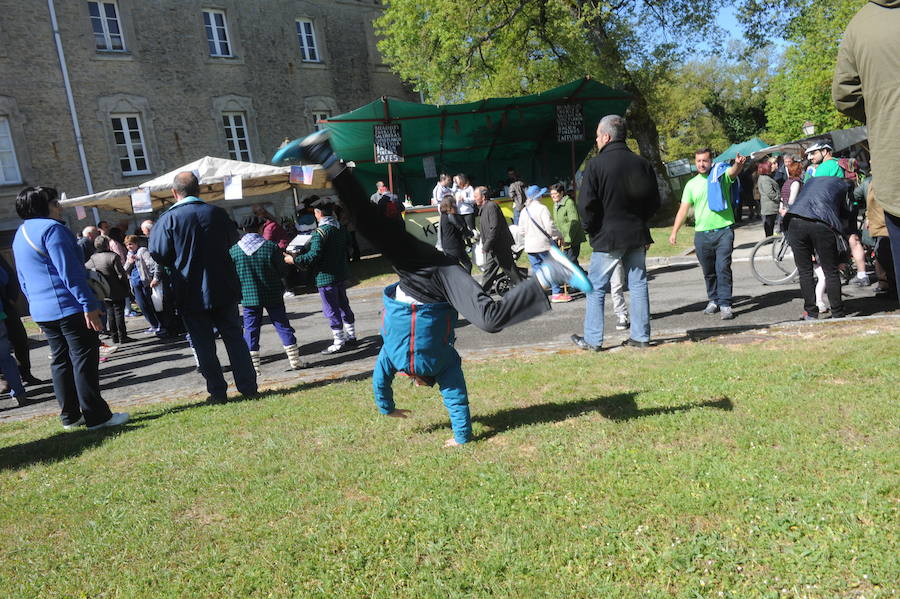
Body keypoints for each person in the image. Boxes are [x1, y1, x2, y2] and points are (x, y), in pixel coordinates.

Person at [284, 130, 590, 446]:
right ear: (426, 379)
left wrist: (386, 408)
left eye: (412, 384)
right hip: (443, 278)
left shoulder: (394, 357)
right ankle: (548, 274)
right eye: (419, 385)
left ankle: (327, 159)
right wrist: (461, 437)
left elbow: (380, 383)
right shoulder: (444, 363)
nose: (413, 385)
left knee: (368, 226)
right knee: (489, 320)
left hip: (416, 271)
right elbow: (456, 396)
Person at [12, 186, 128, 430]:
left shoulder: (20, 233)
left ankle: (70, 417)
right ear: (46, 206)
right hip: (69, 306)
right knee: (83, 359)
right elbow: (70, 272)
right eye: (55, 203)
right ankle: (97, 416)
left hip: (43, 310)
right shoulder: (53, 229)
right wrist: (88, 304)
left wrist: (35, 306)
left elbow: (22, 278)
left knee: (61, 362)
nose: (59, 207)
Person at [148, 172, 257, 404]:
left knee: (203, 343)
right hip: (223, 285)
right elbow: (232, 239)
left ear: (174, 193)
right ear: (199, 190)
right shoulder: (217, 213)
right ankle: (248, 386)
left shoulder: (168, 220)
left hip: (189, 289)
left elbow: (158, 253)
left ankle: (217, 392)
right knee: (234, 337)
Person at [571, 115, 660, 351]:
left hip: (608, 235)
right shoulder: (642, 163)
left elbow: (586, 205)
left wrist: (592, 229)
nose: (597, 140)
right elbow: (654, 202)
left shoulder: (596, 165)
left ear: (607, 137)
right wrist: (642, 222)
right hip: (636, 233)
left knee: (596, 287)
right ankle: (641, 336)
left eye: (598, 136)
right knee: (639, 283)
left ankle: (593, 340)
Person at [669, 148, 747, 320]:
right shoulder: (691, 184)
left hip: (723, 231)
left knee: (723, 267)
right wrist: (674, 231)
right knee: (709, 271)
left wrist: (738, 164)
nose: (701, 164)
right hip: (702, 234)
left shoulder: (719, 176)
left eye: (705, 160)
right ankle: (713, 300)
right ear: (695, 163)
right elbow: (683, 209)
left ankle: (725, 304)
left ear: (711, 161)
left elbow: (733, 172)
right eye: (698, 161)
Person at [230, 216, 305, 373]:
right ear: (260, 228)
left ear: (243, 230)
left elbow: (232, 276)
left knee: (251, 330)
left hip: (248, 296)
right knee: (282, 325)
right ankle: (295, 361)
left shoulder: (234, 251)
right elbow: (283, 271)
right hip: (272, 293)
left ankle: (254, 368)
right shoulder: (270, 247)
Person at [286, 197, 356, 354]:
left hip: (325, 277)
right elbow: (348, 245)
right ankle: (352, 336)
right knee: (344, 305)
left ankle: (338, 341)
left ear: (318, 213)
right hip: (340, 274)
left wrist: (294, 259)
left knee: (331, 310)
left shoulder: (320, 232)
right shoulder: (340, 228)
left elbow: (313, 257)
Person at [783, 176, 851, 320]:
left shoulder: (811, 181)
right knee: (831, 271)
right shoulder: (843, 186)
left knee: (805, 271)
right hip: (822, 223)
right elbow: (845, 214)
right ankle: (837, 312)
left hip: (794, 220)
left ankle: (810, 313)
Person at [806, 143, 869, 286]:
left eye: (814, 153)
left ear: (825, 151)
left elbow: (814, 190)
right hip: (850, 206)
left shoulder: (824, 167)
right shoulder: (838, 163)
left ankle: (834, 273)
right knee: (853, 238)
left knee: (831, 240)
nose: (810, 157)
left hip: (835, 210)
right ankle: (862, 274)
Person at [519, 185, 568, 302]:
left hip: (530, 246)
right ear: (538, 196)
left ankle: (540, 294)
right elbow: (550, 228)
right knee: (552, 267)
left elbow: (521, 230)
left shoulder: (524, 211)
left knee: (538, 270)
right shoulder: (542, 209)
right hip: (543, 244)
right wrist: (559, 235)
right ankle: (556, 293)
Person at [474, 185, 523, 292]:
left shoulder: (491, 206)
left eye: (476, 196)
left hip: (500, 245)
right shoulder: (484, 208)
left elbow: (494, 228)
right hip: (493, 247)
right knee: (489, 271)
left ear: (483, 196)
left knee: (510, 270)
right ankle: (482, 294)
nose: (474, 198)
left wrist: (486, 245)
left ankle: (526, 292)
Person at [86, 235, 134, 345]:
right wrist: (126, 287)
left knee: (110, 313)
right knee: (118, 313)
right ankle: (123, 336)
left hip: (102, 289)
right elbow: (121, 274)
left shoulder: (93, 257)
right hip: (117, 288)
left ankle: (115, 337)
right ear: (107, 244)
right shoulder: (113, 256)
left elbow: (86, 268)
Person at [123, 234, 164, 335]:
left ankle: (159, 325)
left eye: (131, 244)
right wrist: (129, 262)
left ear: (136, 243)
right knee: (142, 305)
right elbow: (125, 270)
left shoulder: (142, 251)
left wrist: (155, 278)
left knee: (151, 304)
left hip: (145, 282)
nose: (129, 247)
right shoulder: (129, 254)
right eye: (127, 245)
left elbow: (152, 264)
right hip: (135, 283)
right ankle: (153, 324)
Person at [438, 195, 473, 272]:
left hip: (447, 246)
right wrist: (470, 234)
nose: (456, 206)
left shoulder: (443, 215)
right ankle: (465, 282)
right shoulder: (450, 216)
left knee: (456, 267)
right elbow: (460, 227)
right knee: (468, 265)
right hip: (455, 246)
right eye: (454, 203)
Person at [757, 161, 781, 237]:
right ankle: (769, 238)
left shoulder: (765, 177)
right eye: (770, 167)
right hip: (770, 205)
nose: (772, 168)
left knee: (770, 223)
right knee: (769, 223)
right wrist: (779, 198)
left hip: (768, 204)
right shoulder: (765, 179)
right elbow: (770, 193)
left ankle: (769, 237)